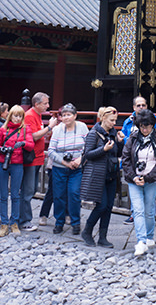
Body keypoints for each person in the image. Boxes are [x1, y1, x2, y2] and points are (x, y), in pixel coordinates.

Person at [122, 108, 156, 256]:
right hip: (133, 179)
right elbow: (126, 158)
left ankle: (149, 236)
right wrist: (133, 176)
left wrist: (147, 177)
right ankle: (141, 241)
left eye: (147, 126)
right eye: (142, 126)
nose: (145, 129)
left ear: (152, 125)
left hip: (151, 180)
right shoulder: (133, 138)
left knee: (149, 210)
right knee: (138, 210)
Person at [80, 106, 124, 247]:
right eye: (111, 120)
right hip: (98, 174)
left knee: (109, 206)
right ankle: (87, 231)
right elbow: (88, 154)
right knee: (101, 206)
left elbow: (117, 153)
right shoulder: (93, 133)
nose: (114, 123)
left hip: (111, 173)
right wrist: (103, 149)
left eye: (115, 120)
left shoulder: (113, 133)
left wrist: (120, 142)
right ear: (103, 118)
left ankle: (103, 237)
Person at [121, 95, 156, 224]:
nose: (141, 107)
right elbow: (125, 136)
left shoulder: (154, 120)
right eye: (138, 105)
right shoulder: (128, 121)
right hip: (134, 158)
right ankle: (135, 215)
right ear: (134, 107)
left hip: (150, 158)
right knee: (136, 194)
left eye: (143, 105)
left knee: (148, 199)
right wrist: (123, 138)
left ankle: (147, 221)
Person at [47, 103, 89, 236]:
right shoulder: (58, 129)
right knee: (59, 195)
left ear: (75, 116)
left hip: (77, 168)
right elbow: (51, 151)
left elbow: (89, 147)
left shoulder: (82, 127)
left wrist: (79, 160)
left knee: (74, 194)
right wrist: (65, 162)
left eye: (69, 115)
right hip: (60, 167)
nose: (66, 118)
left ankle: (75, 222)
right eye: (63, 115)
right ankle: (59, 222)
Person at [19, 92, 58, 230]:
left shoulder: (37, 115)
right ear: (37, 104)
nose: (48, 105)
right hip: (31, 158)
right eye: (45, 103)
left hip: (37, 157)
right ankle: (24, 221)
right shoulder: (30, 115)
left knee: (32, 188)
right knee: (28, 190)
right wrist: (50, 127)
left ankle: (23, 218)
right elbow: (34, 136)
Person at [0, 105, 34, 236]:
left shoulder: (25, 129)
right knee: (3, 196)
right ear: (10, 116)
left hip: (17, 164)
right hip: (3, 163)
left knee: (15, 195)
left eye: (20, 116)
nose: (17, 118)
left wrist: (24, 143)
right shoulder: (3, 129)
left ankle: (14, 222)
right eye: (15, 115)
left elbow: (31, 146)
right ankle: (4, 223)